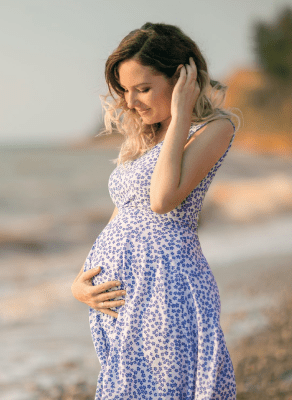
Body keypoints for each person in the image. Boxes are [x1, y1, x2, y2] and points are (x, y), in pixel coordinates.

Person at [71, 22, 238, 399]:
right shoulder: (147, 135)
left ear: (181, 79)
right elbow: (123, 213)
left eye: (143, 89)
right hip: (122, 302)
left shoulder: (213, 129)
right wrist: (79, 281)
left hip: (166, 290)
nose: (131, 102)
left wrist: (180, 116)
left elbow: (162, 200)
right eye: (126, 91)